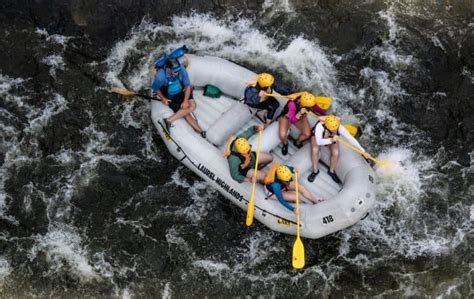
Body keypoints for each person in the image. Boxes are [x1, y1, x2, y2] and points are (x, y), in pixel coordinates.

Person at [151, 59, 206, 138]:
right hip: (171, 96)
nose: (177, 73)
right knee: (186, 111)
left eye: (178, 71)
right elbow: (155, 88)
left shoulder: (181, 70)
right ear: (168, 69)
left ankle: (168, 120)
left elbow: (187, 86)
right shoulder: (160, 76)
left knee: (193, 106)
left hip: (183, 91)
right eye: (175, 71)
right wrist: (163, 98)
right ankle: (200, 130)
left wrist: (185, 100)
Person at [308, 115, 370, 183]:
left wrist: (363, 151)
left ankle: (331, 171)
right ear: (327, 127)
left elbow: (350, 138)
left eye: (336, 128)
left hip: (331, 138)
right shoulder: (319, 126)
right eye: (333, 129)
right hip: (321, 138)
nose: (335, 130)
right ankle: (315, 171)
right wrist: (331, 140)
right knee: (314, 150)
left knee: (336, 152)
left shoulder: (340, 127)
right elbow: (319, 141)